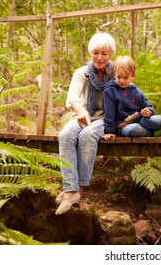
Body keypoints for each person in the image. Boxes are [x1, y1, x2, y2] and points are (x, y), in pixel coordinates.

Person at [55, 32, 116, 216]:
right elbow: (72, 96)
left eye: (104, 53)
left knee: (88, 135)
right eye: (95, 52)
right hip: (84, 114)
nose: (99, 57)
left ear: (110, 54)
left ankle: (77, 190)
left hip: (108, 118)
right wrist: (80, 110)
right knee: (65, 135)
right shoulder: (82, 72)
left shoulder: (116, 72)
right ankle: (69, 189)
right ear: (90, 53)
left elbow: (128, 92)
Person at [102, 55, 161, 139]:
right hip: (124, 125)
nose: (121, 80)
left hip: (139, 120)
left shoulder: (135, 91)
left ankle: (146, 130)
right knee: (133, 129)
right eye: (119, 77)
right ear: (114, 74)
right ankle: (150, 132)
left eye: (125, 77)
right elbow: (109, 114)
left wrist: (148, 111)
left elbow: (148, 106)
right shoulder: (110, 90)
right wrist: (109, 131)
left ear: (133, 75)